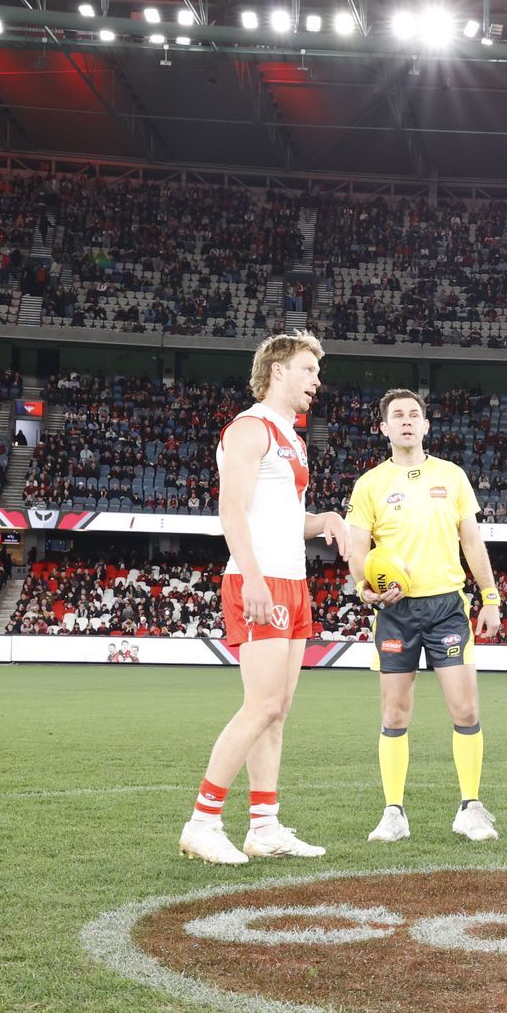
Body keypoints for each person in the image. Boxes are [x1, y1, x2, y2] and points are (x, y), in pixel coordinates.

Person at [178, 331, 344, 866]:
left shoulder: (289, 437)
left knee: (278, 712)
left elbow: (288, 520)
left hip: (291, 581)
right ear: (277, 372)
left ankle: (264, 826)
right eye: (307, 370)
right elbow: (232, 509)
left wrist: (327, 521)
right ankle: (202, 822)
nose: (317, 381)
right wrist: (251, 579)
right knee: (262, 705)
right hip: (261, 579)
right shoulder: (249, 429)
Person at [346, 388, 504, 845]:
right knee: (394, 715)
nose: (407, 421)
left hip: (446, 607)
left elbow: (472, 543)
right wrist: (368, 591)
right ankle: (394, 812)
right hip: (396, 612)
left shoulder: (451, 476)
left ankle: (470, 808)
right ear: (384, 428)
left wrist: (490, 597)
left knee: (466, 708)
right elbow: (358, 553)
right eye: (397, 415)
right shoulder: (369, 484)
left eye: (414, 414)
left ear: (426, 425)